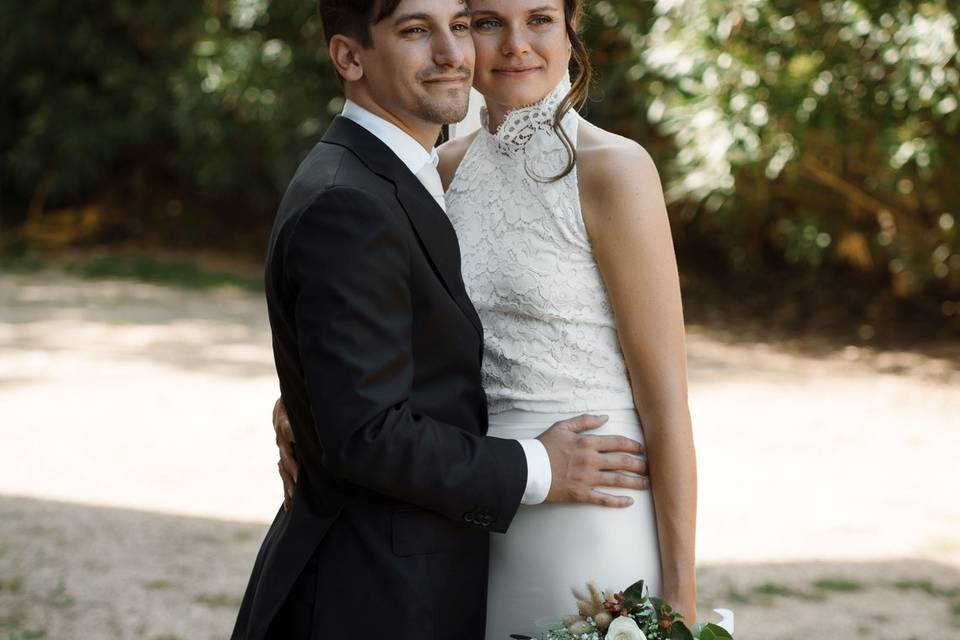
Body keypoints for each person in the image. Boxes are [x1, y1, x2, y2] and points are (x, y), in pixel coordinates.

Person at [274, 0, 698, 635]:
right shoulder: (439, 170)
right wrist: (305, 400)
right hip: (470, 507)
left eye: (540, 20)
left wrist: (681, 600)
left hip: (591, 497)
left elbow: (666, 402)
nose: (516, 45)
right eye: (488, 23)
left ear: (570, 30)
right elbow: (392, 325)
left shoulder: (615, 169)